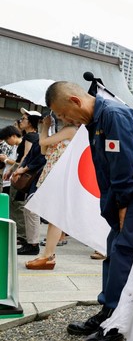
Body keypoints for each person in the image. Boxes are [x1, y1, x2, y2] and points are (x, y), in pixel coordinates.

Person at [45, 81, 133, 341]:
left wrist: (122, 205)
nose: (64, 121)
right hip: (120, 194)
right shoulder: (94, 121)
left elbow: (124, 165)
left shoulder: (113, 116)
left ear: (74, 101)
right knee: (112, 250)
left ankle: (115, 323)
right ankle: (108, 309)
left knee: (123, 251)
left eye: (62, 115)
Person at [25, 114, 78, 270]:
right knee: (52, 216)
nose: (61, 115)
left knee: (55, 217)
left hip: (59, 176)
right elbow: (43, 150)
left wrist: (46, 126)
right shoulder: (65, 130)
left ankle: (48, 256)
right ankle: (47, 255)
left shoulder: (71, 130)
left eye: (62, 113)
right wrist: (46, 128)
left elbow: (42, 142)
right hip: (53, 174)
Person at [4, 109, 43, 253]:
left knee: (25, 207)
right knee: (26, 208)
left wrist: (19, 170)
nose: (21, 121)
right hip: (30, 174)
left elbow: (27, 157)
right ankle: (30, 241)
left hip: (32, 176)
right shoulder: (35, 137)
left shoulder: (32, 137)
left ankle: (30, 242)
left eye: (24, 119)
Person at [0, 125, 23, 194]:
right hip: (8, 180)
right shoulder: (15, 146)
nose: (6, 142)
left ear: (13, 136)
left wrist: (5, 160)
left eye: (6, 139)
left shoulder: (22, 146)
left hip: (14, 181)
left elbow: (20, 162)